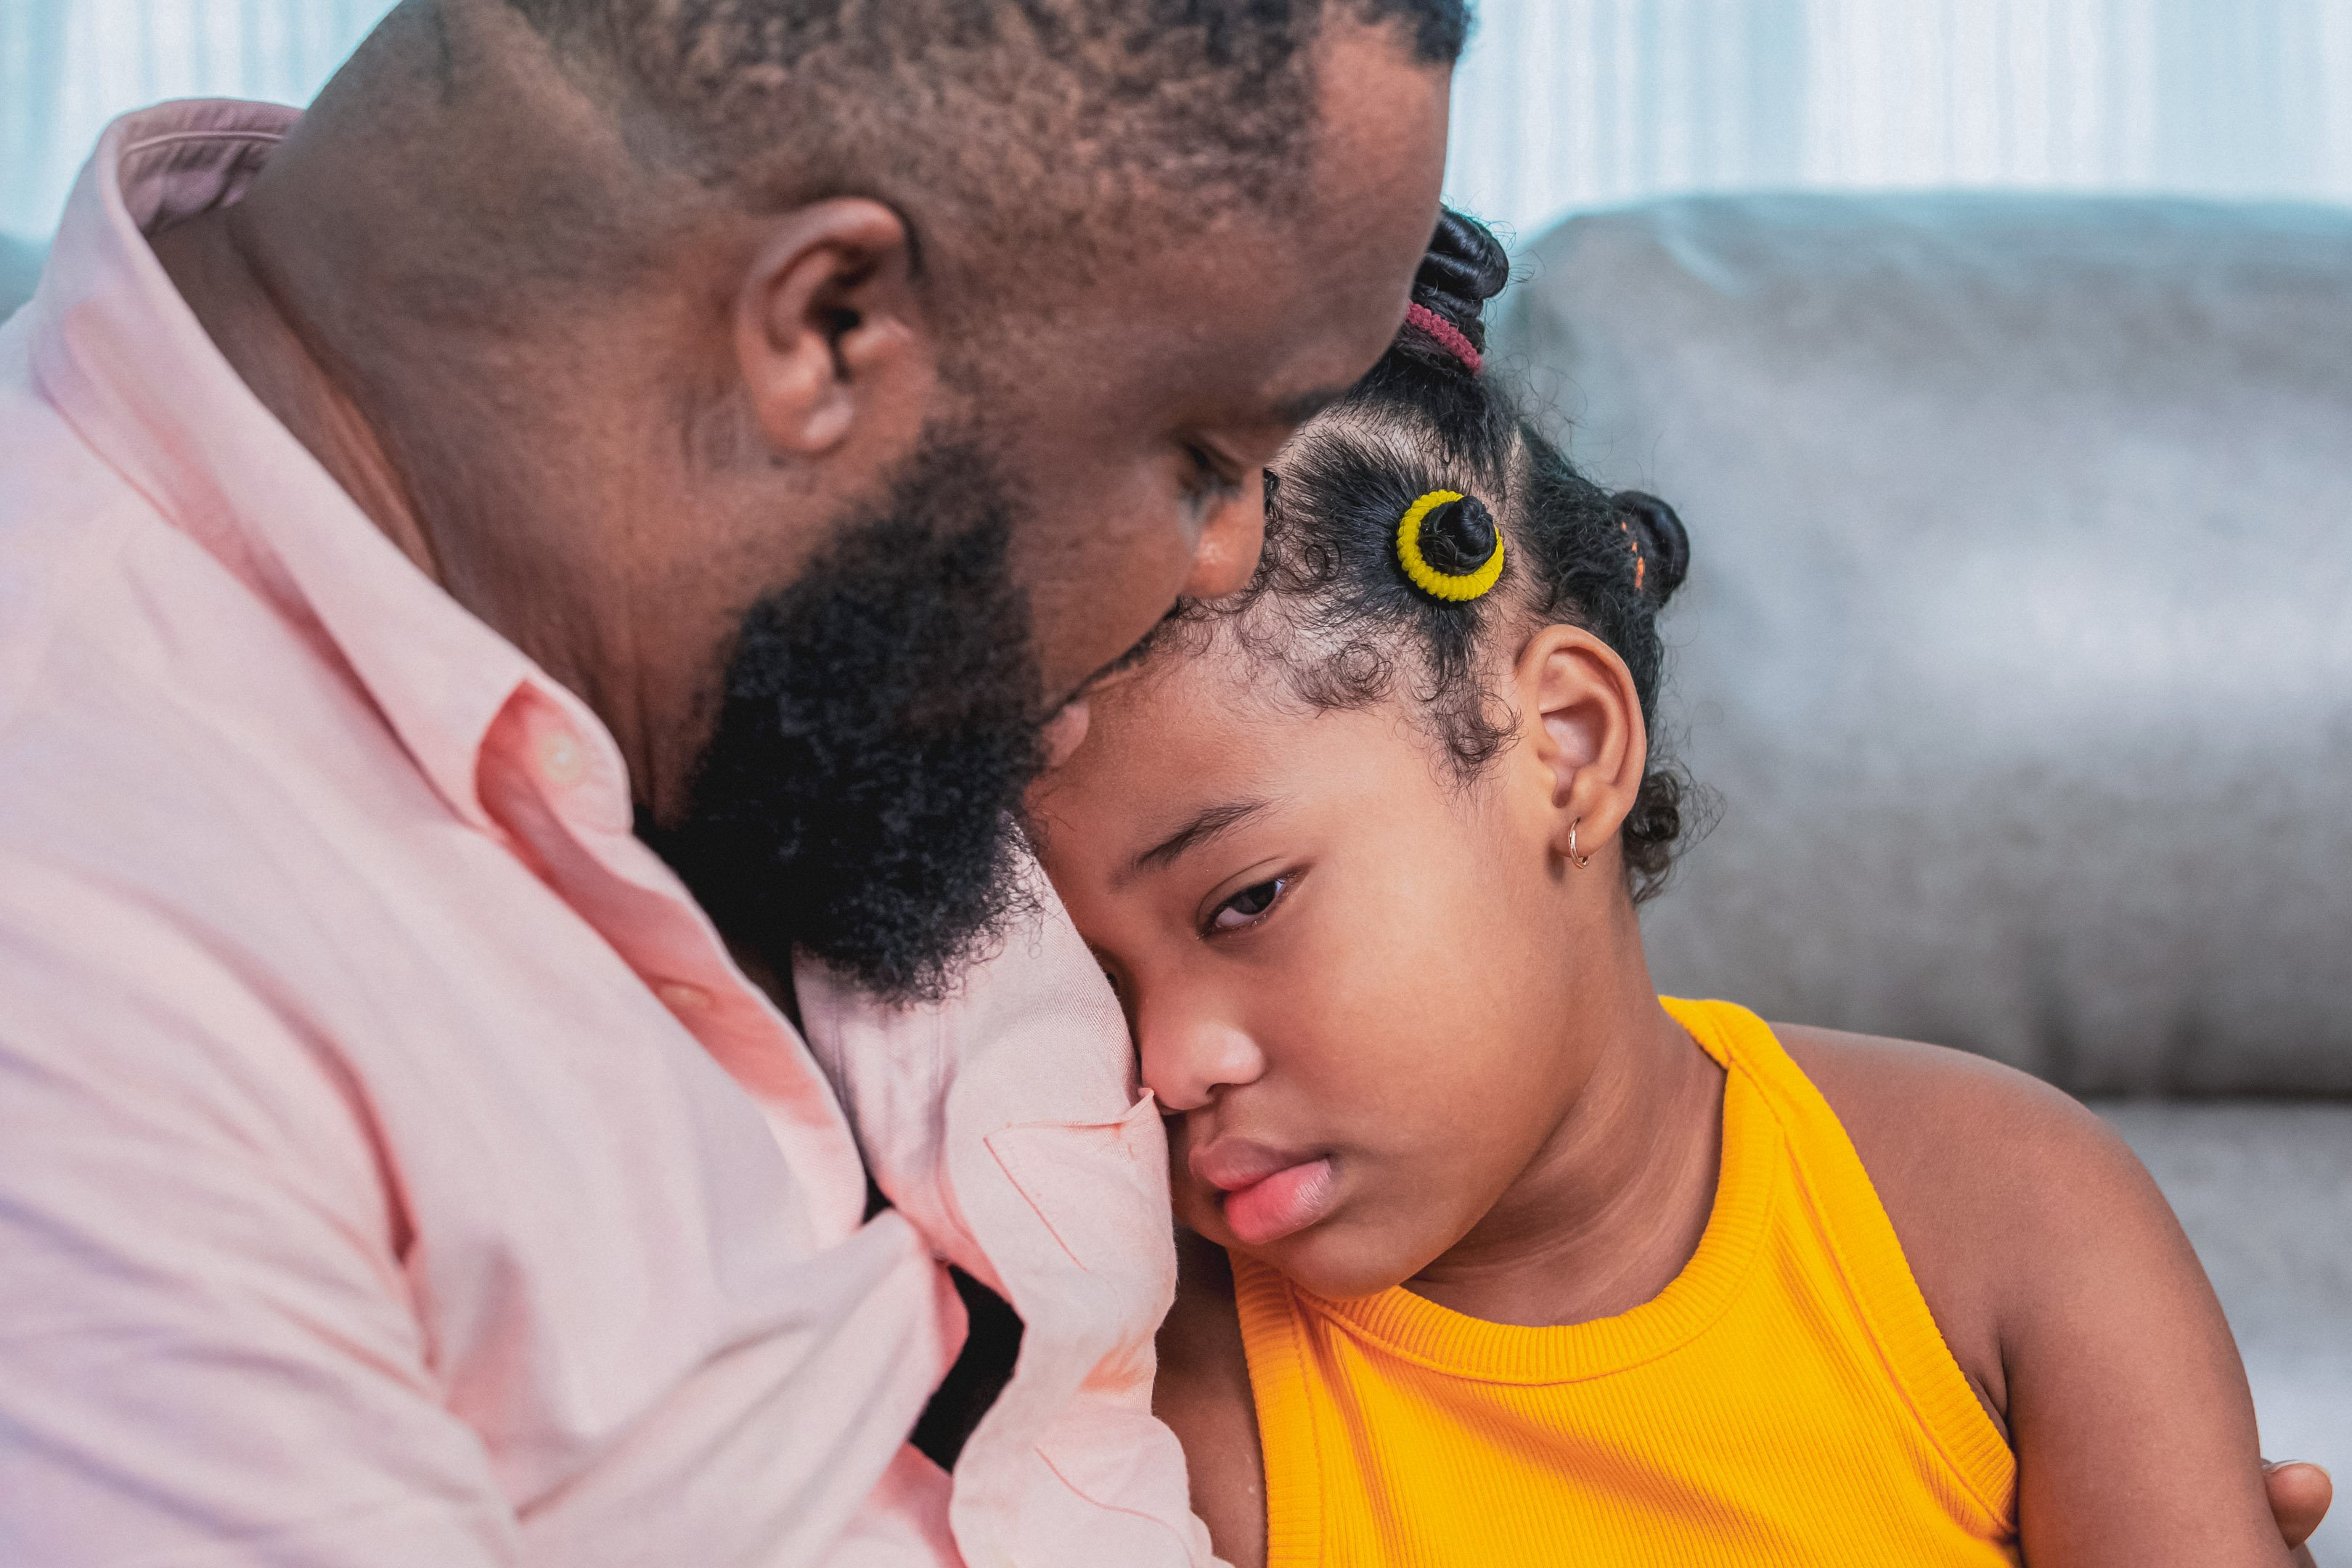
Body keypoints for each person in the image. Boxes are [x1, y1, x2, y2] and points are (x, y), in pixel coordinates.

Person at [0, 1, 1463, 1563]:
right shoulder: (85, 969)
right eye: (1198, 454)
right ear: (824, 325)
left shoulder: (823, 642)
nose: (1228, 557)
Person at [1031, 211, 2338, 1567]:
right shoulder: (1175, 1406)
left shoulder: (2003, 1213)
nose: (1167, 1063)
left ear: (1567, 747)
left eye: (1245, 902)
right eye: (1091, 986)